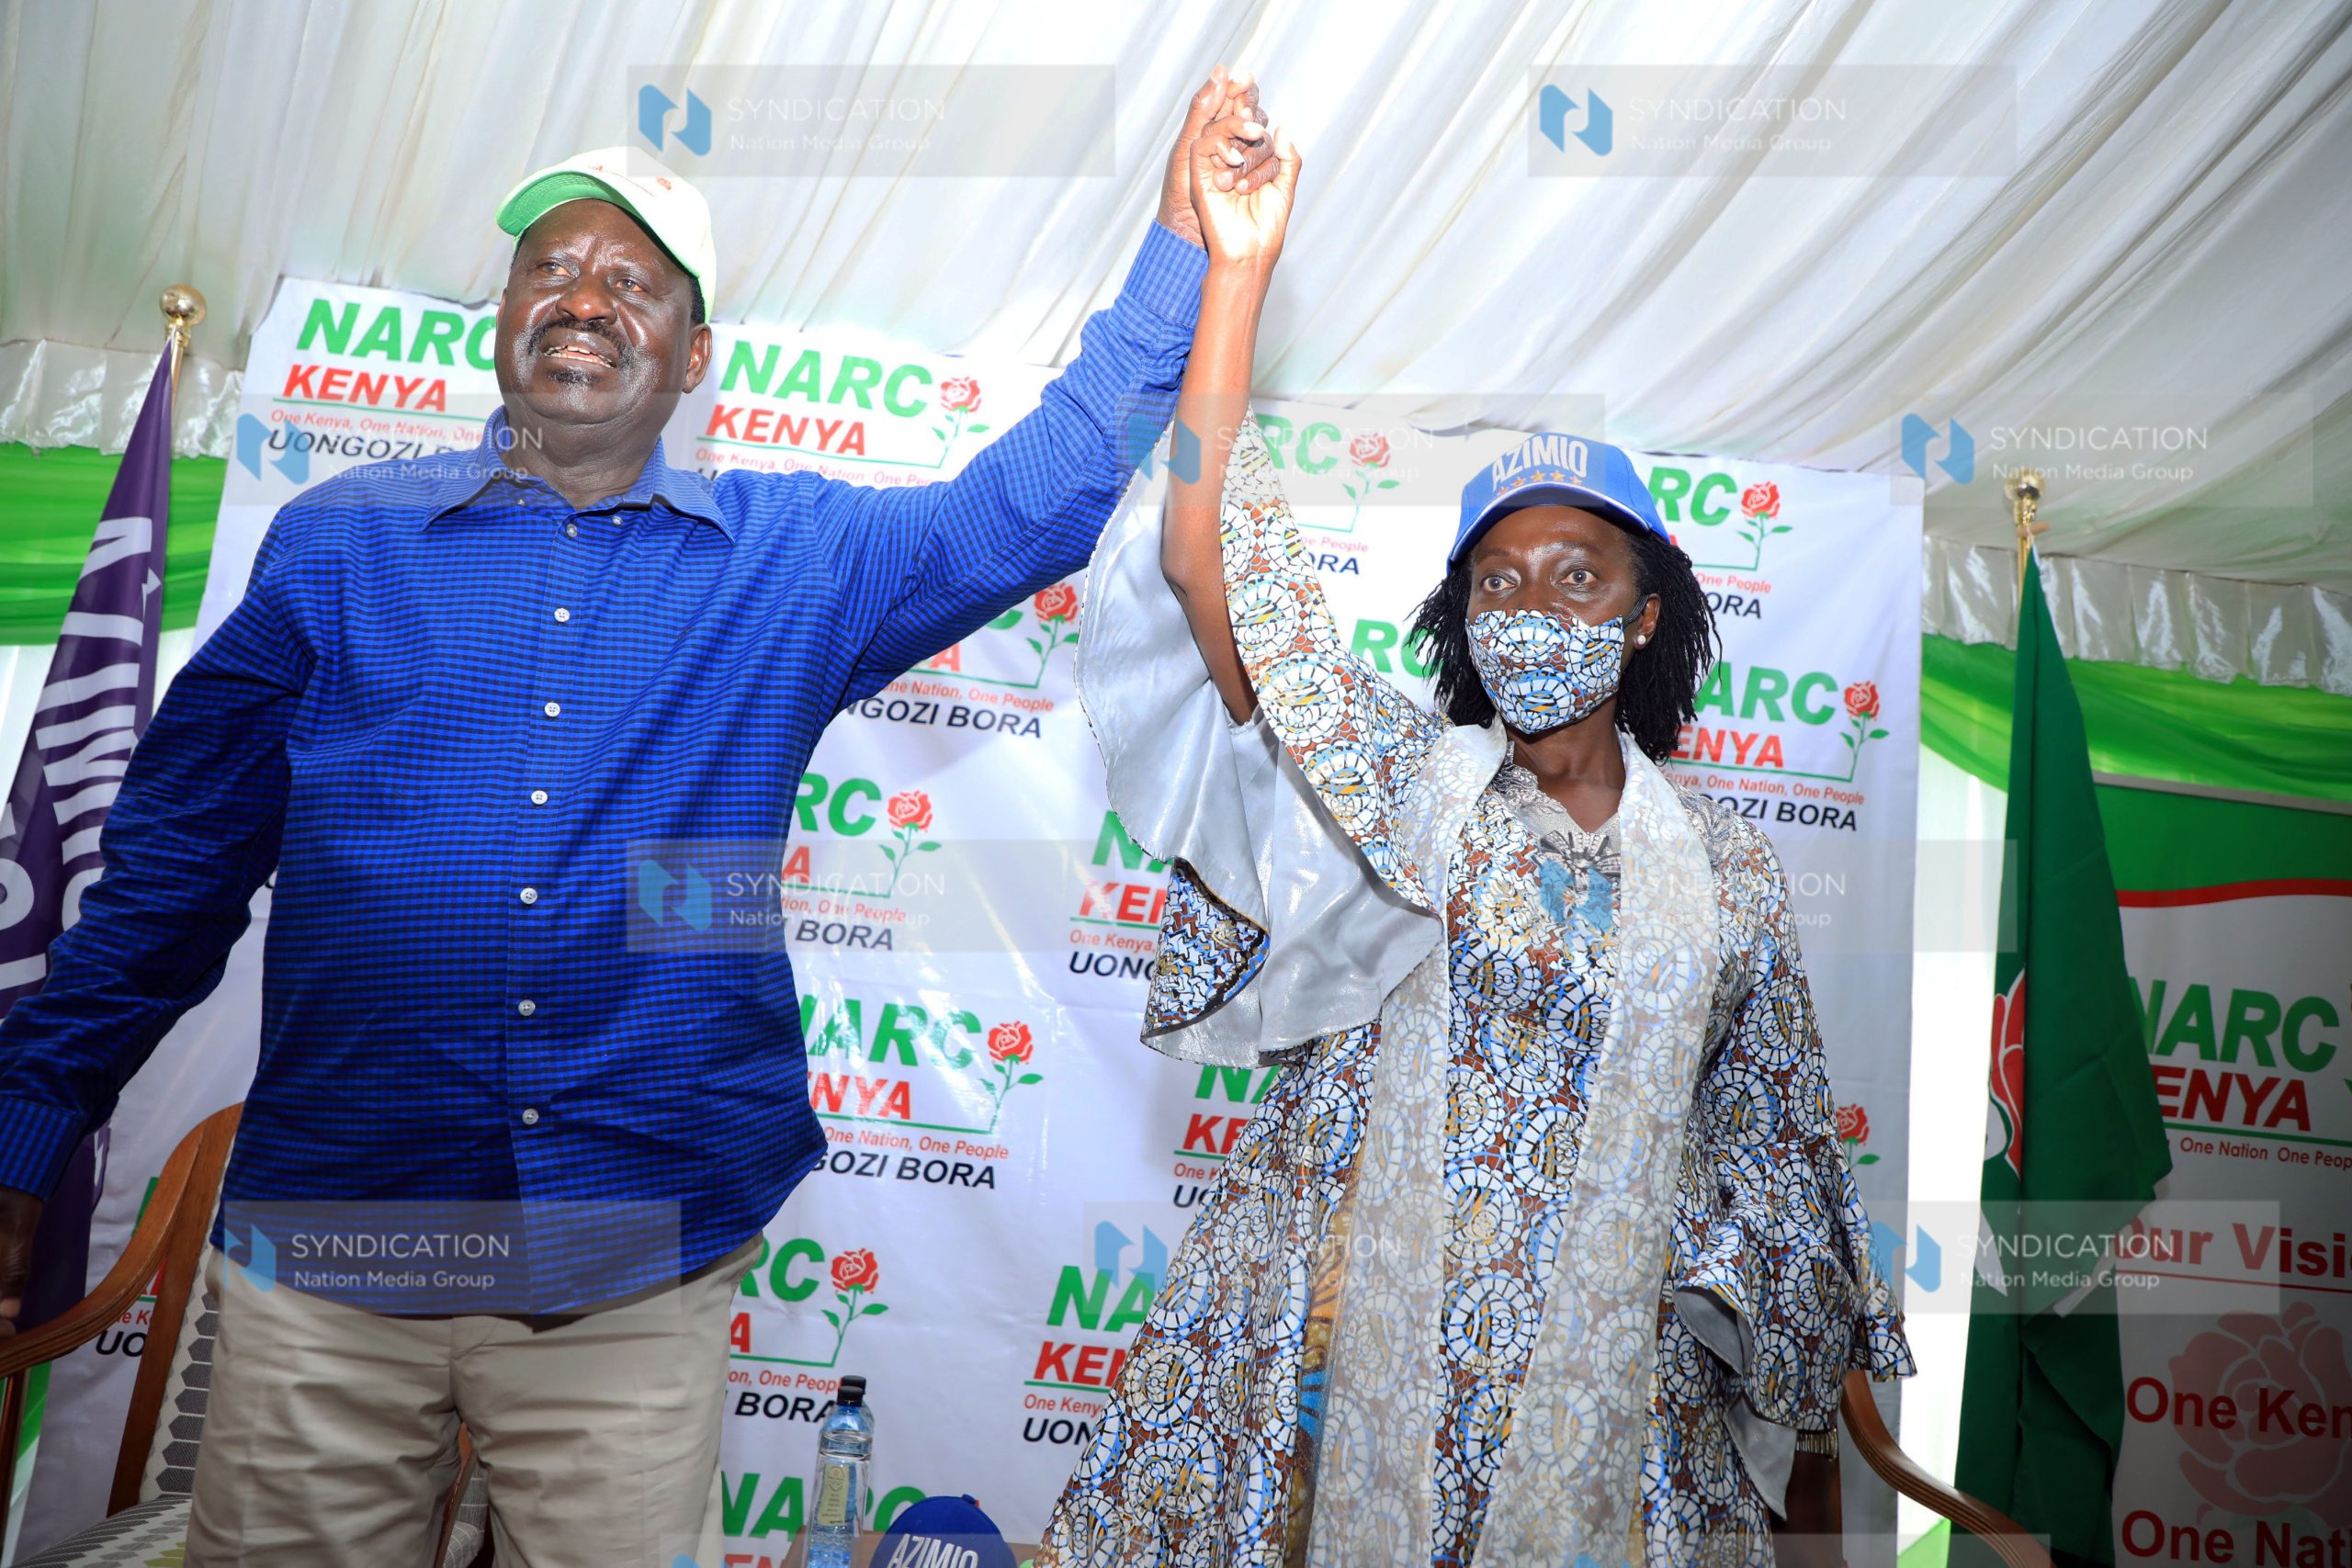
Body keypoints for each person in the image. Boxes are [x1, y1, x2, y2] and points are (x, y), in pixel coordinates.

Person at [0, 70, 1283, 1565]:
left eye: (633, 282)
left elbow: (1037, 503)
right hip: (340, 1247)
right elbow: (167, 880)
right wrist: (32, 1128)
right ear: (502, 324)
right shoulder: (333, 545)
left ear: (694, 357)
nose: (584, 297)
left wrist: (1187, 244)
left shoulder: (791, 561)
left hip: (629, 1262)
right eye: (549, 269)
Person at [1037, 258, 1914, 1560]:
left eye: (1576, 577)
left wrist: (1766, 1327)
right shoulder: (1400, 787)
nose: (1530, 609)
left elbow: (1778, 1158)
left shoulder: (1729, 866)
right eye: (1496, 583)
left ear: (1643, 612)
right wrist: (1238, 272)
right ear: (1461, 618)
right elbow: (1204, 557)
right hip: (1361, 1359)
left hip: (1617, 1409)